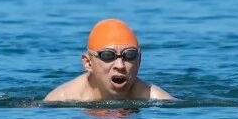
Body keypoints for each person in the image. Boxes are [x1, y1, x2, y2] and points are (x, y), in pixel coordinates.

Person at [44, 18, 175, 102]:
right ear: (88, 63)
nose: (120, 65)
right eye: (108, 56)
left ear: (139, 60)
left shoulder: (157, 99)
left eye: (129, 55)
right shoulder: (60, 100)